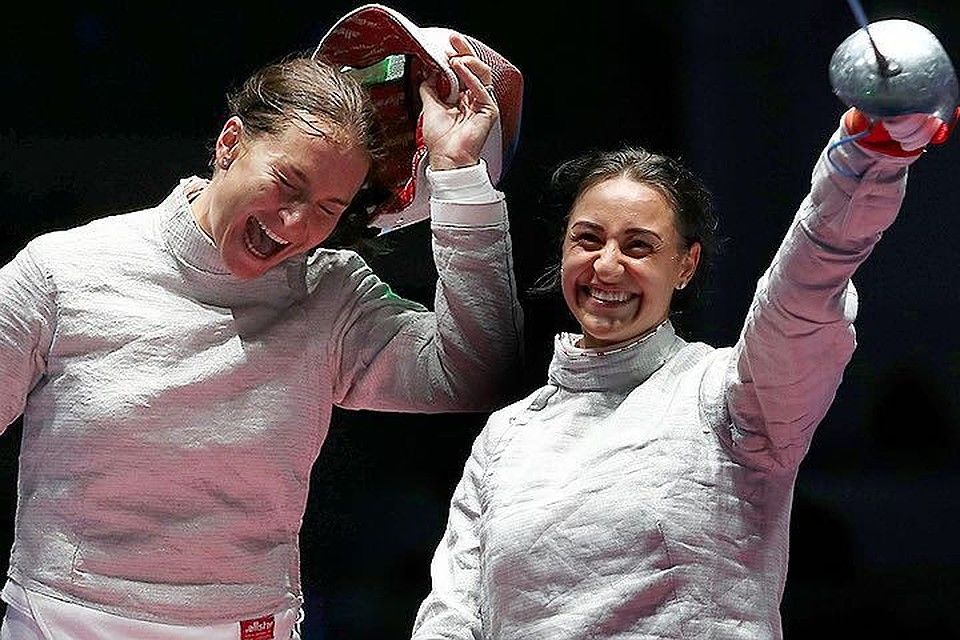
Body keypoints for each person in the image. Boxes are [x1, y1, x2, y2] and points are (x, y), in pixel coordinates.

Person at [0, 24, 522, 640]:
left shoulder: (331, 296)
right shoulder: (63, 272)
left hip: (248, 626)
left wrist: (460, 177)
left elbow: (478, 371)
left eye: (327, 209)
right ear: (230, 145)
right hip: (58, 621)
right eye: (287, 184)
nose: (295, 224)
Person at [410, 103, 955, 639]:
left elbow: (800, 297)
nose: (606, 265)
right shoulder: (508, 434)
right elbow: (451, 612)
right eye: (588, 239)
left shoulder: (729, 398)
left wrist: (860, 161)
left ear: (685, 266)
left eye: (638, 246)